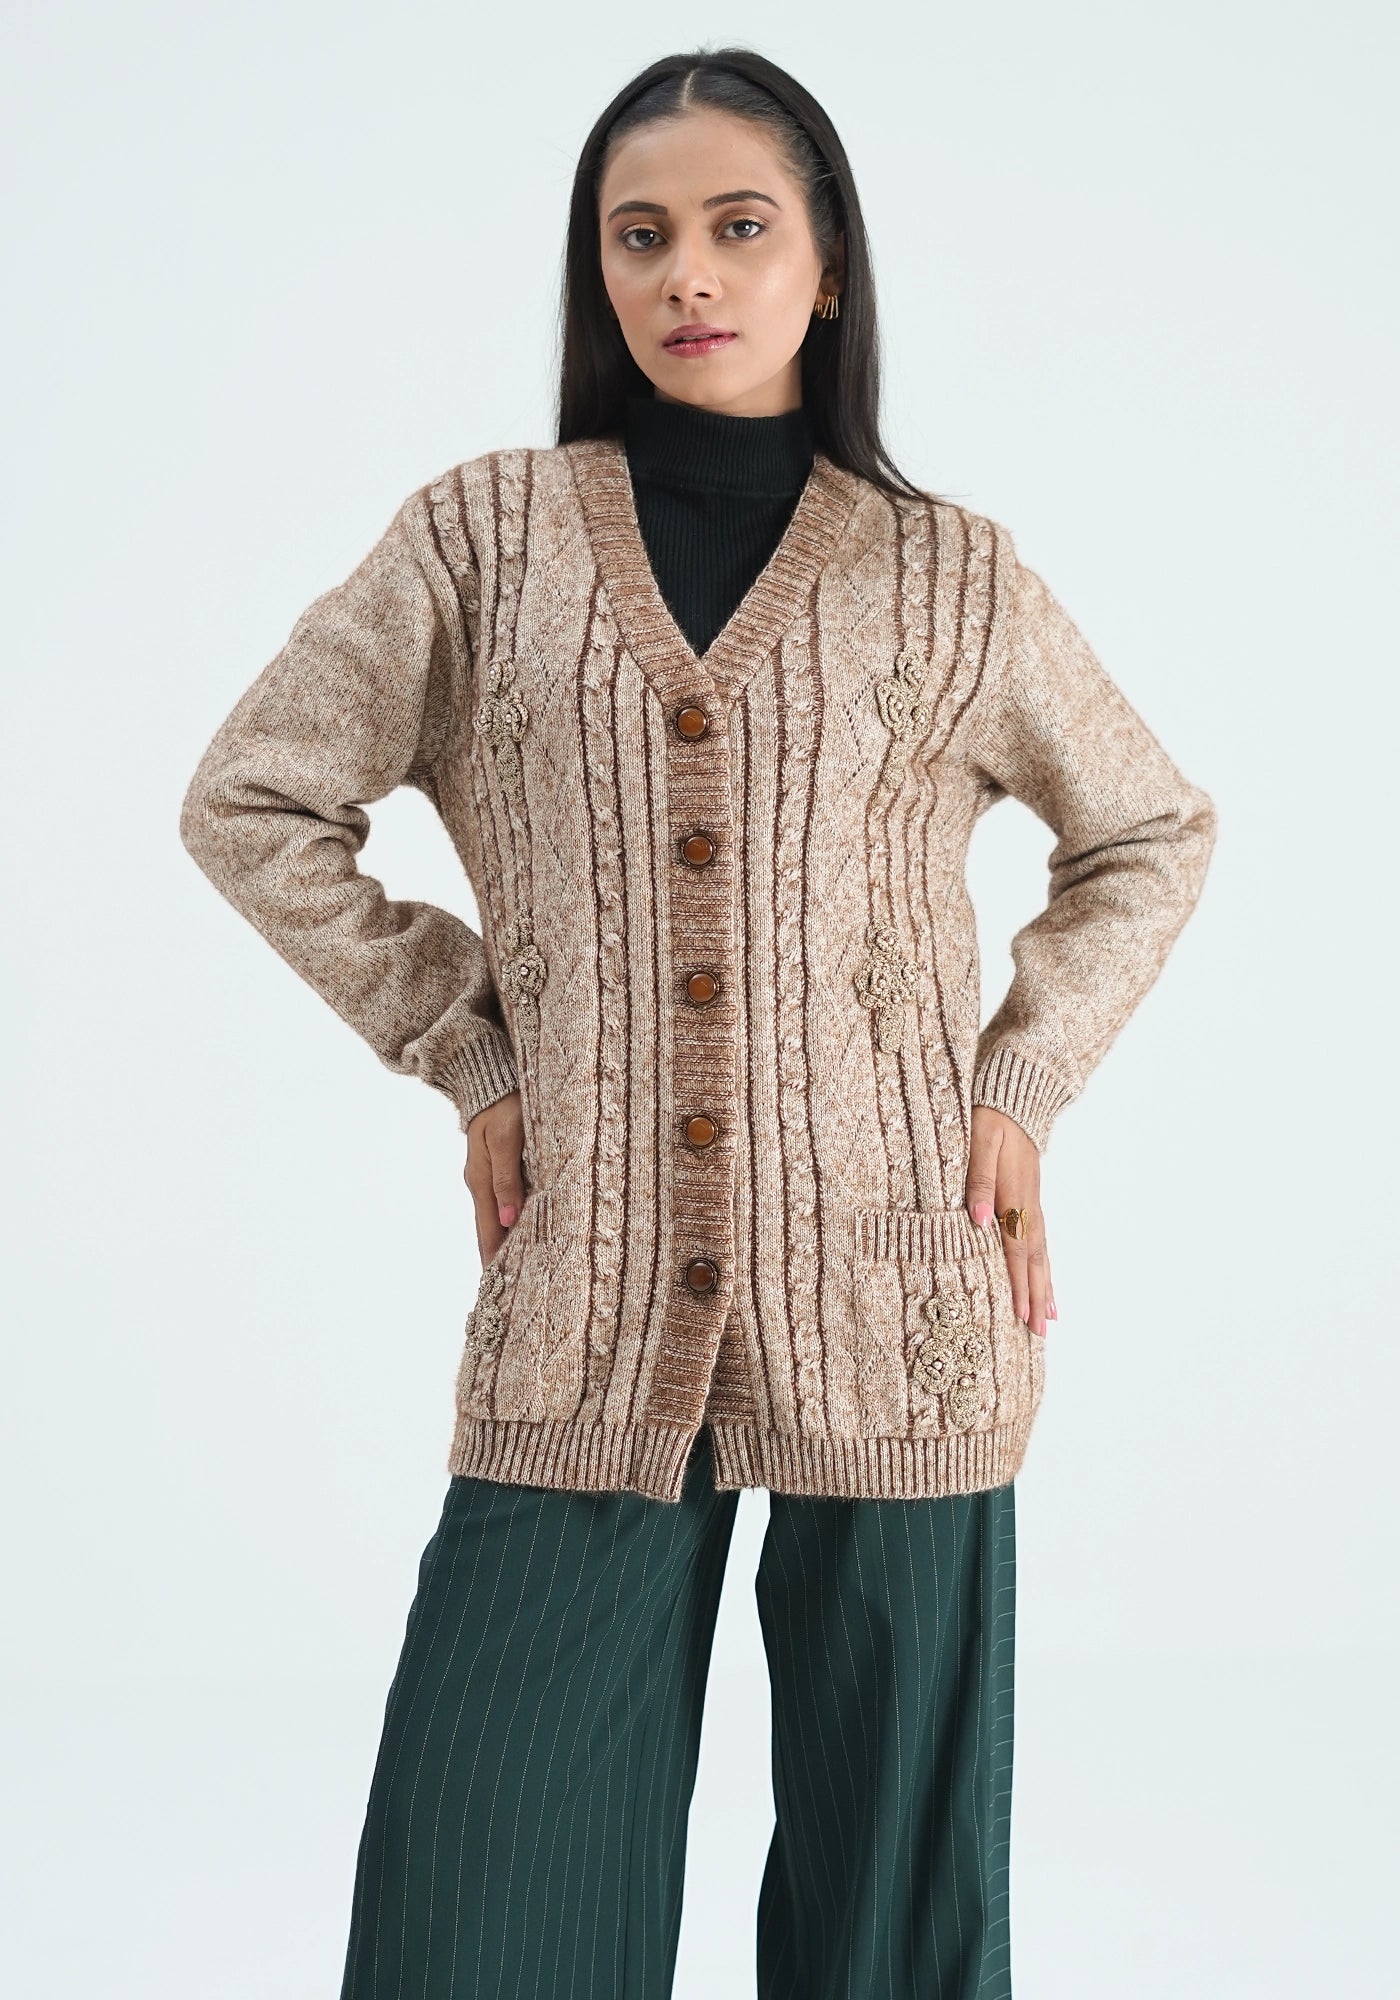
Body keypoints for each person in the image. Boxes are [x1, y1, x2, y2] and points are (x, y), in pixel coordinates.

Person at [179, 45, 1218, 2000]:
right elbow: (253, 800)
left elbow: (1148, 831)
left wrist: (1020, 1083)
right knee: (479, 1913)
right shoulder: (480, 545)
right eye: (638, 236)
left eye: (740, 227)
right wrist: (472, 1049)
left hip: (903, 1299)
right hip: (586, 1300)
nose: (688, 274)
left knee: (892, 1931)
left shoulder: (947, 575)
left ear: (827, 268)